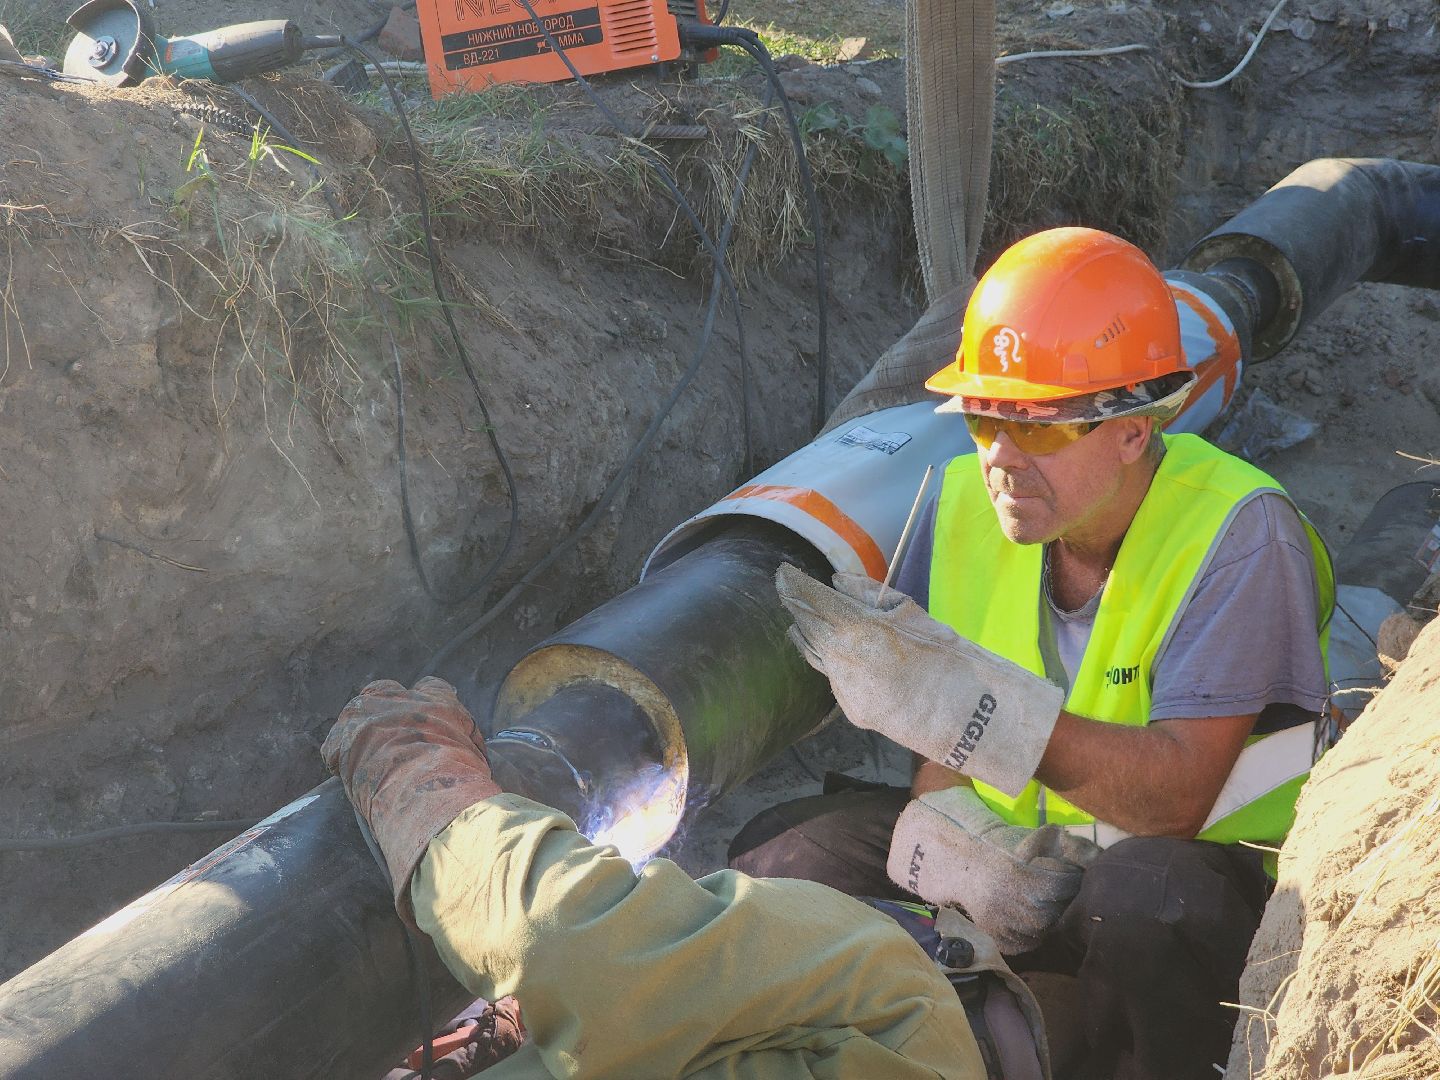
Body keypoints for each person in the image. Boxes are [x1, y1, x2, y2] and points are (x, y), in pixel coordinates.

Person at [730, 227, 1334, 1080]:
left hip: (1194, 884)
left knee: (1142, 902)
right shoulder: (963, 505)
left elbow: (1174, 802)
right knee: (782, 856)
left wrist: (981, 713)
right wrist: (957, 847)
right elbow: (942, 752)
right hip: (1020, 852)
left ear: (1131, 429)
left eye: (1039, 426)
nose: (1001, 460)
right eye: (984, 418)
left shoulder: (1238, 533)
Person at [322, 675, 1048, 1080]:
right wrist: (427, 788)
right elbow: (576, 942)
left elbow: (577, 943)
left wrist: (418, 777)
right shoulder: (890, 1004)